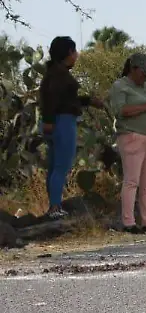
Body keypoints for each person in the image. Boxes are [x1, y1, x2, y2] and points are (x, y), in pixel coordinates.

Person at [37, 36, 104, 219]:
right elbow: (51, 99)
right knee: (62, 165)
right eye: (74, 51)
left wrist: (89, 101)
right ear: (68, 53)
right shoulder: (59, 75)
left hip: (56, 121)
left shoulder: (55, 72)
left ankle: (54, 206)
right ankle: (55, 208)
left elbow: (66, 99)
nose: (77, 55)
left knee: (54, 166)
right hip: (62, 122)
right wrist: (49, 121)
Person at [106, 53, 146, 234]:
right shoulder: (120, 86)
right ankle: (129, 222)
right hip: (132, 137)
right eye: (144, 72)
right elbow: (121, 111)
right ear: (133, 69)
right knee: (132, 181)